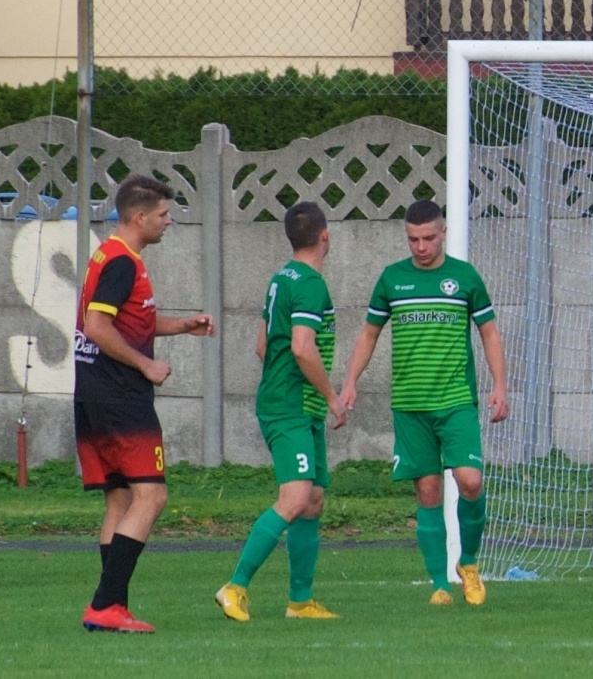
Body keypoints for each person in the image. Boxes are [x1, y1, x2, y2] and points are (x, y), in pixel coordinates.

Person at [341, 199, 510, 606]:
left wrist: (501, 385)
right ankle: (439, 584)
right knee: (429, 491)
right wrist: (349, 382)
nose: (420, 246)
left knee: (470, 481)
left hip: (456, 400)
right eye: (413, 239)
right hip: (410, 404)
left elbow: (488, 332)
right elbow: (369, 334)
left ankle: (468, 563)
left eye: (428, 238)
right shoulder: (392, 279)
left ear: (443, 232)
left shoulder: (464, 278)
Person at [74, 174, 215, 634]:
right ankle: (104, 604)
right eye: (163, 215)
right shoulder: (122, 263)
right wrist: (146, 366)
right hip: (120, 400)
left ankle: (113, 608)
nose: (168, 221)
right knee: (152, 496)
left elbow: (125, 322)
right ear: (139, 218)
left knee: (119, 502)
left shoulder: (111, 254)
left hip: (95, 395)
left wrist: (181, 326)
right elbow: (97, 326)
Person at [216, 201, 348, 623]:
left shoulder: (280, 278)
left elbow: (261, 346)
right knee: (293, 499)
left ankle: (300, 601)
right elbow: (302, 347)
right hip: (292, 405)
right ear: (325, 235)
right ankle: (234, 587)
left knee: (312, 499)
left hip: (293, 403)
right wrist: (331, 396)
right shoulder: (310, 284)